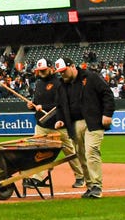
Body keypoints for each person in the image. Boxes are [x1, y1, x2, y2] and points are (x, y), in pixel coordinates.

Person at [55, 57, 115, 199]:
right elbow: (59, 106)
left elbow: (107, 94)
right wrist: (60, 119)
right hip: (74, 124)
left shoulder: (91, 77)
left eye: (64, 71)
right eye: (60, 72)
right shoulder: (62, 85)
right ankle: (89, 186)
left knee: (91, 151)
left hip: (93, 122)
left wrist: (107, 114)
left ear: (73, 66)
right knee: (81, 156)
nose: (62, 74)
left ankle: (96, 186)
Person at [27, 58, 86, 188]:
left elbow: (60, 105)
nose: (41, 73)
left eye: (43, 70)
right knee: (39, 151)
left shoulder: (59, 83)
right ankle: (37, 178)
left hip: (58, 124)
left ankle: (80, 176)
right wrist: (32, 105)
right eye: (39, 71)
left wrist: (44, 107)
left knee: (70, 152)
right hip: (41, 125)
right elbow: (36, 101)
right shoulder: (38, 84)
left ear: (51, 68)